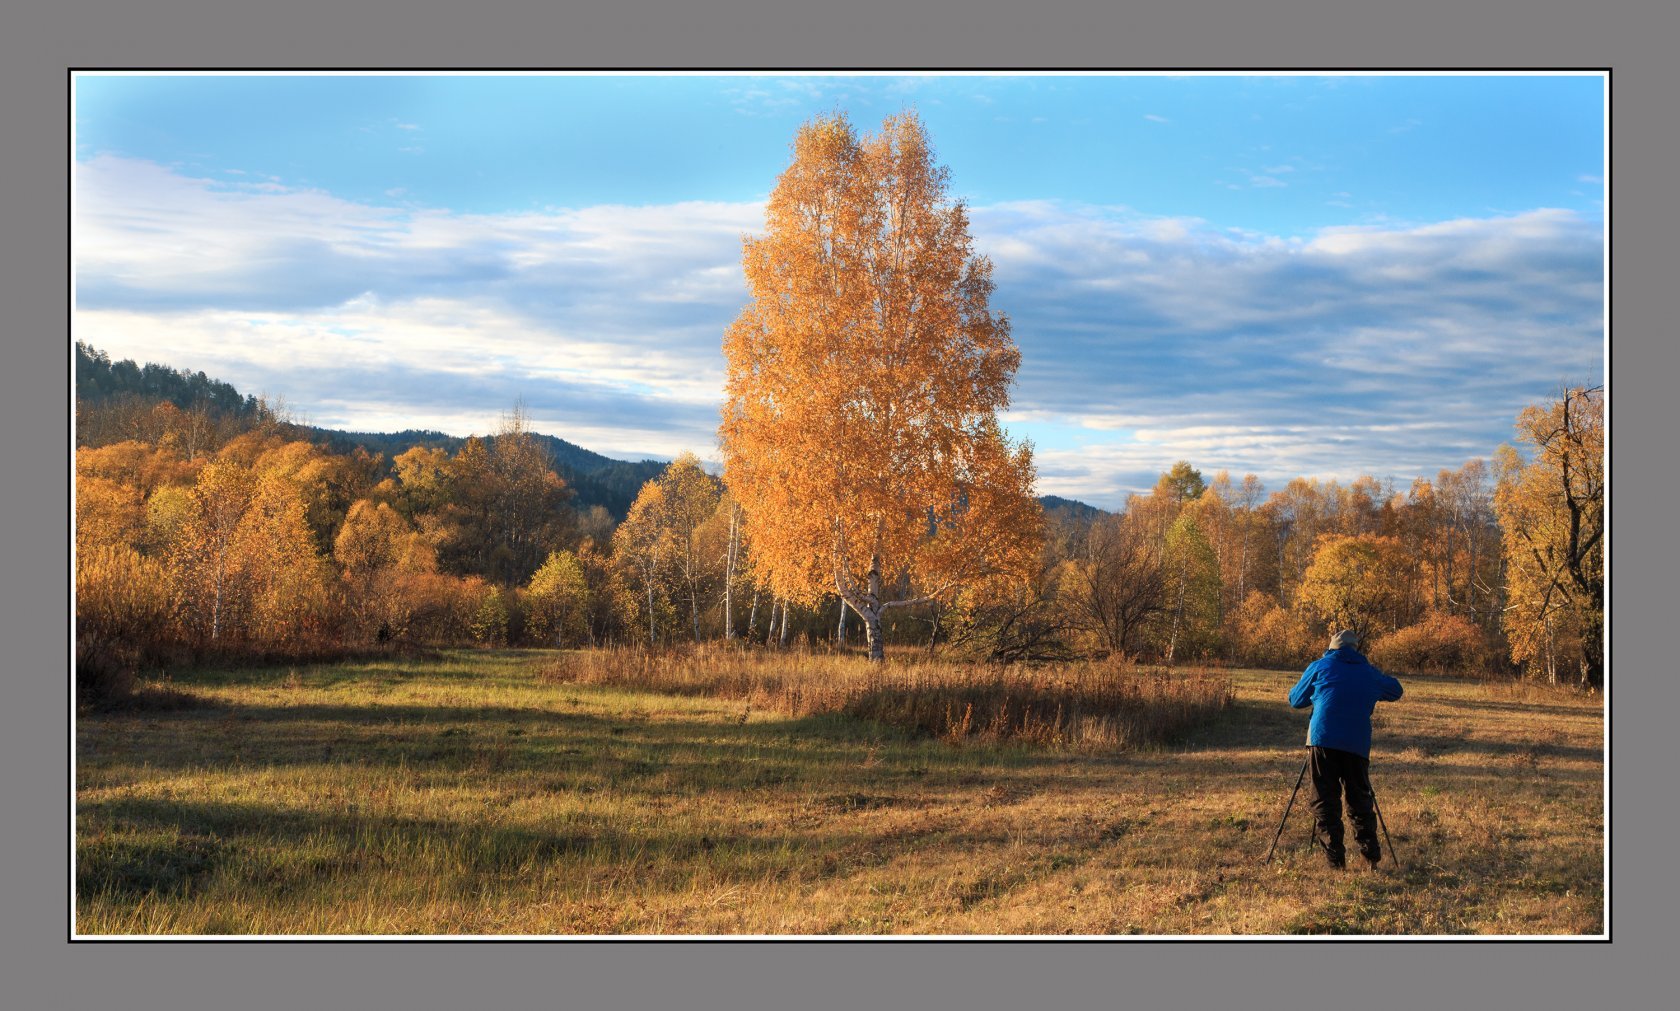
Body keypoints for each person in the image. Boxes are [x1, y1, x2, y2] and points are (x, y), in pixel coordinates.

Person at [1288, 629, 1403, 868]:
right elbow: (1396, 690)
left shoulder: (1320, 666)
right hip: (1357, 743)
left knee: (1324, 800)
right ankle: (1369, 856)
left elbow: (1295, 699)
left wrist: (1321, 693)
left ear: (1332, 648)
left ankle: (1335, 862)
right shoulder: (1368, 672)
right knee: (1359, 799)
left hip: (1322, 740)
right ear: (1355, 649)